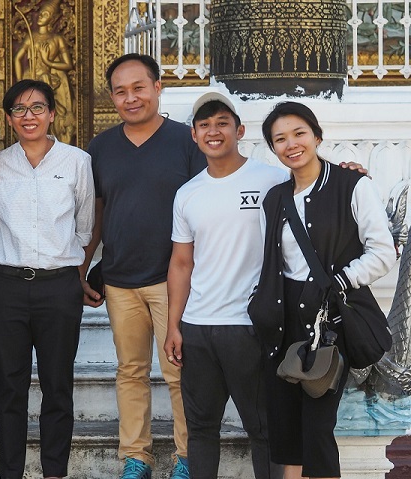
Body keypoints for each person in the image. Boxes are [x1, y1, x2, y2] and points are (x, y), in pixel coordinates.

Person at [249, 101, 396, 479]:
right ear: (273, 147)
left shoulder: (352, 184)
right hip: (283, 325)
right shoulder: (275, 198)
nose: (291, 144)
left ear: (316, 136)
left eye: (299, 133)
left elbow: (383, 252)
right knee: (285, 432)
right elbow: (273, 263)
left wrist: (339, 282)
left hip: (329, 324)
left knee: (316, 429)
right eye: (279, 139)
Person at [82, 53, 206, 479]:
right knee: (130, 372)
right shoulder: (100, 148)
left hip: (172, 280)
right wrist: (83, 268)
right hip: (119, 280)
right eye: (121, 91)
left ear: (157, 87)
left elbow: (206, 207)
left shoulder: (186, 142)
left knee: (178, 373)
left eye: (139, 87)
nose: (130, 98)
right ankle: (137, 456)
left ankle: (187, 458)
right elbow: (96, 214)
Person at [163, 92, 287, 479]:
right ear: (194, 136)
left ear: (239, 130)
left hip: (250, 326)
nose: (213, 132)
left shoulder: (273, 179)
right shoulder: (188, 194)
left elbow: (319, 187)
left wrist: (350, 172)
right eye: (205, 125)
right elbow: (181, 263)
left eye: (222, 123)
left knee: (262, 429)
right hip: (199, 328)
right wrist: (173, 325)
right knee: (200, 430)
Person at [0, 79, 94, 479]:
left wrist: (71, 270)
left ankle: (54, 473)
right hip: (5, 287)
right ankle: (10, 473)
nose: (28, 116)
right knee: (8, 389)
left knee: (57, 388)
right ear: (9, 118)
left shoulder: (77, 162)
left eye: (37, 108)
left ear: (51, 113)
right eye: (19, 109)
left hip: (58, 287)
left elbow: (84, 227)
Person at [13, 0, 74, 143]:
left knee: (54, 112)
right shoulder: (31, 37)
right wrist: (22, 81)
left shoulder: (56, 39)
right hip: (32, 76)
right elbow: (17, 58)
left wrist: (48, 62)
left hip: (51, 79)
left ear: (51, 19)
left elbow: (68, 64)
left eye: (45, 14)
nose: (41, 16)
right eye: (41, 13)